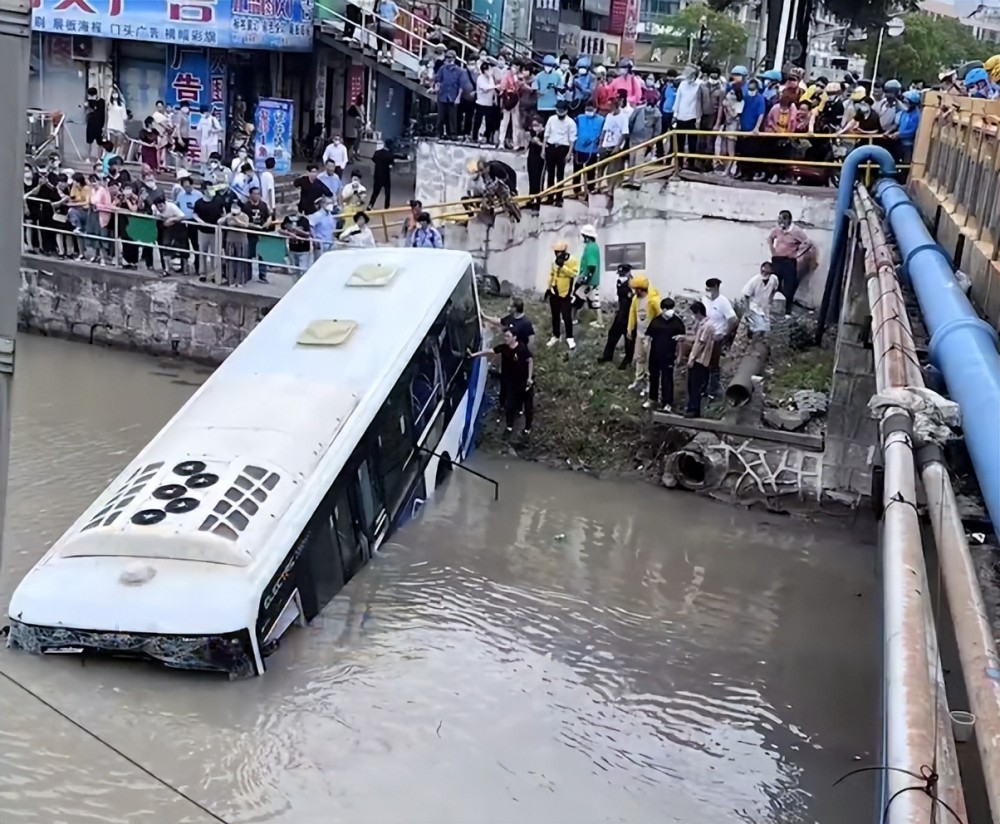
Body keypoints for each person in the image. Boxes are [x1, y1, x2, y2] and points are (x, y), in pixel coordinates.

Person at [467, 326, 534, 438]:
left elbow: (530, 360)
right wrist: (474, 355)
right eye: (505, 336)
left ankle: (527, 427)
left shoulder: (522, 348)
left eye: (508, 336)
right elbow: (490, 351)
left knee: (528, 406)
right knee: (509, 404)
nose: (505, 338)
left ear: (515, 338)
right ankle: (509, 426)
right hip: (510, 381)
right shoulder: (504, 348)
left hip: (523, 381)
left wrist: (529, 378)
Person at [643, 297, 685, 412]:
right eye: (667, 308)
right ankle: (652, 399)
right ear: (662, 309)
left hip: (669, 355)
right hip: (655, 354)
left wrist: (680, 356)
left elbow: (681, 341)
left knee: (667, 379)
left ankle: (667, 402)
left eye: (671, 308)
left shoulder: (677, 322)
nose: (669, 311)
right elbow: (648, 338)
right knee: (654, 378)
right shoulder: (656, 321)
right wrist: (647, 353)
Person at [767, 210, 813, 315]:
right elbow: (770, 238)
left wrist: (798, 254)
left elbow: (808, 243)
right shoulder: (778, 230)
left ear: (788, 220)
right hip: (777, 260)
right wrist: (772, 250)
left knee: (789, 287)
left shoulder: (796, 231)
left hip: (789, 261)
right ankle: (772, 309)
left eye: (782, 219)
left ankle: (787, 311)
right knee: (774, 284)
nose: (780, 221)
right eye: (779, 219)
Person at [626, 275, 662, 392]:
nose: (634, 291)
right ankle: (638, 379)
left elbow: (660, 316)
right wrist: (629, 329)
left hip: (649, 337)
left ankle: (649, 384)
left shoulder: (653, 301)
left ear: (640, 289)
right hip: (639, 334)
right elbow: (632, 314)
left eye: (635, 289)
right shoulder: (635, 300)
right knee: (639, 358)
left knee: (649, 361)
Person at [704, 277, 737, 397]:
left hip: (717, 336)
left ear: (716, 288)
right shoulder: (705, 300)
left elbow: (733, 319)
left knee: (714, 364)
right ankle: (704, 388)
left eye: (711, 289)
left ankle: (714, 390)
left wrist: (725, 334)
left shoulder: (722, 302)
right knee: (704, 363)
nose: (709, 292)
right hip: (706, 336)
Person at [599, 263, 636, 368]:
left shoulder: (633, 284)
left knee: (628, 338)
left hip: (630, 315)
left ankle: (627, 360)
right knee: (613, 334)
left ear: (628, 273)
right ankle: (607, 356)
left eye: (623, 274)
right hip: (620, 314)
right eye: (620, 274)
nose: (621, 276)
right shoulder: (620, 283)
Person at [546, 239, 579, 349]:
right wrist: (548, 287)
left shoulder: (572, 260)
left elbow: (574, 274)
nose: (557, 254)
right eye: (555, 252)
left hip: (566, 294)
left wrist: (563, 267)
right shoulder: (554, 261)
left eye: (559, 251)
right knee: (555, 315)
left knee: (566, 316)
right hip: (554, 292)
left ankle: (570, 337)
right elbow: (552, 274)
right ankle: (556, 335)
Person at [542, 100, 576, 205]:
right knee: (550, 174)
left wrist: (569, 153)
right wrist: (543, 149)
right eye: (558, 110)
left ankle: (559, 198)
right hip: (551, 147)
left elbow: (572, 139)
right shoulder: (551, 119)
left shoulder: (571, 122)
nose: (560, 112)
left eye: (562, 110)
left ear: (566, 111)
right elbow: (546, 134)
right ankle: (550, 197)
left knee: (560, 175)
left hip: (563, 148)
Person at [684, 301, 714, 418]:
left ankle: (694, 409)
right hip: (700, 359)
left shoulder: (707, 326)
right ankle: (691, 407)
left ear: (698, 313)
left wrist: (692, 358)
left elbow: (700, 344)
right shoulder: (704, 324)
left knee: (694, 385)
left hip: (700, 360)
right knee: (692, 385)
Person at [433, 50, 472, 138]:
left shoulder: (459, 71)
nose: (448, 60)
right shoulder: (442, 69)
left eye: (450, 58)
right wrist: (436, 87)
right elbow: (437, 79)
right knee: (441, 117)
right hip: (442, 95)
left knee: (452, 117)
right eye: (447, 58)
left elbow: (461, 86)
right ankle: (439, 133)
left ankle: (452, 134)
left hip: (453, 96)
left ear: (454, 58)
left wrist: (458, 97)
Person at [627, 94, 662, 183]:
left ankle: (637, 180)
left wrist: (651, 142)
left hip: (645, 141)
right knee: (632, 159)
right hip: (634, 138)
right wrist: (629, 135)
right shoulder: (638, 110)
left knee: (639, 160)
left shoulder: (657, 114)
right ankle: (630, 178)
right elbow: (630, 122)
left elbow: (657, 130)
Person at [599, 95, 631, 190]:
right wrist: (601, 144)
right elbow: (604, 130)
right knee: (600, 167)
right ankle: (598, 185)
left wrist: (618, 146)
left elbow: (624, 133)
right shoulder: (609, 116)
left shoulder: (623, 117)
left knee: (613, 169)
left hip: (615, 145)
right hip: (606, 144)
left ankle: (611, 187)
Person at [740, 262, 779, 338]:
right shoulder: (754, 280)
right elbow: (746, 295)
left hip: (766, 308)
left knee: (767, 331)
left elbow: (775, 289)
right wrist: (747, 311)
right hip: (755, 308)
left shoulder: (774, 279)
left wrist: (771, 300)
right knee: (760, 328)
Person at [574, 99, 605, 195]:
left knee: (591, 171)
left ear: (596, 109)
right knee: (577, 171)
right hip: (579, 148)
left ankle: (591, 188)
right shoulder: (579, 118)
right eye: (587, 109)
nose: (589, 112)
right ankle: (576, 189)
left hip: (592, 150)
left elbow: (603, 134)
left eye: (591, 110)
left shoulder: (601, 120)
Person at [573, 224, 602, 327]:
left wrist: (585, 279)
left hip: (588, 280)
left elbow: (591, 265)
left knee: (576, 298)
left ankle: (573, 319)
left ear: (586, 236)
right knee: (595, 301)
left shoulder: (590, 248)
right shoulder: (595, 246)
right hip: (593, 280)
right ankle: (600, 321)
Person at [242, 186, 273, 283]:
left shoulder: (263, 205)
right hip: (250, 233)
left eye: (258, 194)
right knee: (249, 254)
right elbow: (244, 220)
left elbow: (269, 216)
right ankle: (248, 275)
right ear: (250, 195)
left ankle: (262, 275)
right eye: (255, 194)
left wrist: (267, 223)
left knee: (263, 255)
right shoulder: (245, 206)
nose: (257, 196)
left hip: (262, 233)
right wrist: (253, 226)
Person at [533, 54, 562, 123]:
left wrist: (555, 88)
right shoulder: (538, 76)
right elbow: (534, 89)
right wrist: (540, 92)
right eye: (547, 65)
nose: (548, 67)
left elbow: (561, 89)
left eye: (550, 66)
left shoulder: (557, 76)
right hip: (541, 106)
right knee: (541, 125)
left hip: (553, 106)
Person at [474, 60, 497, 143]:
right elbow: (486, 88)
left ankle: (487, 137)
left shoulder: (491, 78)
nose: (490, 71)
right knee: (478, 121)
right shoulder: (480, 78)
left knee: (489, 122)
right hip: (481, 103)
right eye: (489, 69)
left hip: (489, 103)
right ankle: (475, 137)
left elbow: (493, 89)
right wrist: (495, 85)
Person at [525, 117, 545, 210]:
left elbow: (546, 146)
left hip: (540, 159)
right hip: (531, 158)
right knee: (531, 178)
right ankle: (531, 197)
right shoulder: (532, 134)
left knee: (538, 179)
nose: (535, 128)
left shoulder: (544, 134)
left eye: (537, 125)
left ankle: (538, 199)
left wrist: (538, 142)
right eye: (533, 126)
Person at [368, 140, 394, 209]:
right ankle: (386, 207)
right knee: (387, 192)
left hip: (377, 176)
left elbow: (373, 161)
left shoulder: (377, 153)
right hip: (386, 177)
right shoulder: (390, 156)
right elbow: (391, 166)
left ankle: (370, 205)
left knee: (375, 192)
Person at [85, 87, 106, 161]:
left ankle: (99, 158)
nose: (90, 97)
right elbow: (87, 112)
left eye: (91, 95)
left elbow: (103, 114)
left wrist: (103, 126)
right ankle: (88, 157)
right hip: (90, 124)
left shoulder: (101, 102)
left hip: (99, 124)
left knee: (99, 142)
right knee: (89, 141)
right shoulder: (89, 102)